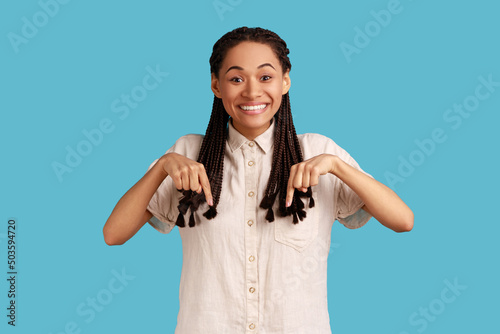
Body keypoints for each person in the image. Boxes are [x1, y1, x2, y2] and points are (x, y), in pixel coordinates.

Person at [103, 26, 413, 333]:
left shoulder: (318, 152)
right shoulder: (188, 154)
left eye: (266, 77)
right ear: (215, 85)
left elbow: (402, 220)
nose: (252, 92)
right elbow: (114, 234)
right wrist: (161, 167)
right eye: (236, 79)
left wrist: (338, 167)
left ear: (285, 81)